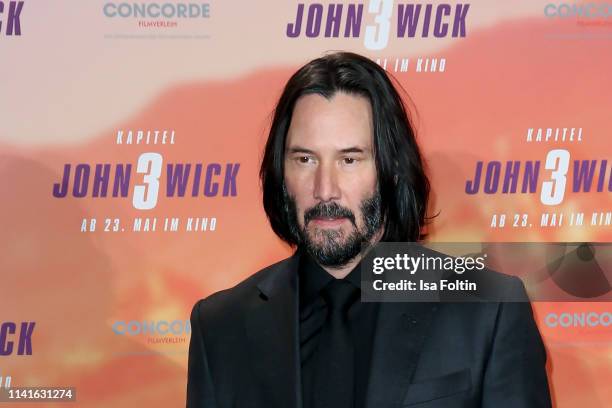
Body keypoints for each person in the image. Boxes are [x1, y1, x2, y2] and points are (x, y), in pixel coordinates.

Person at [186, 51, 552, 408]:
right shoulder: (220, 326)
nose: (324, 188)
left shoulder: (489, 308)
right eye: (305, 159)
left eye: (349, 159)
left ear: (390, 170)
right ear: (282, 175)